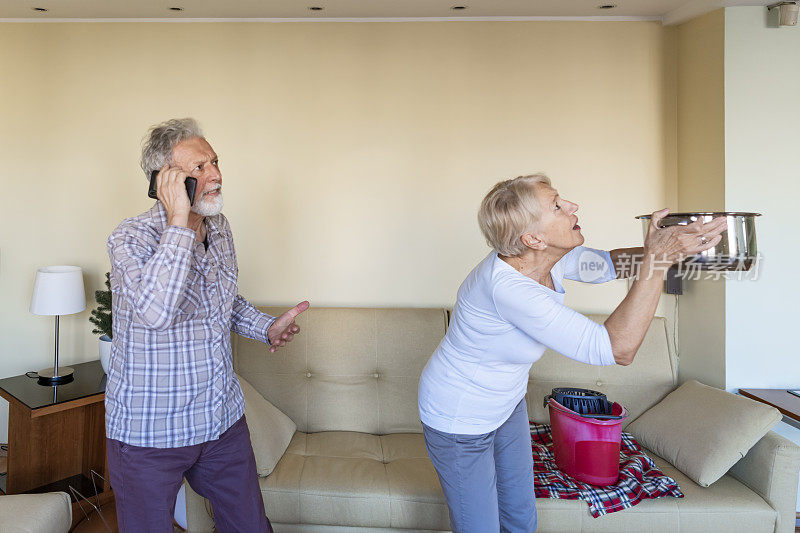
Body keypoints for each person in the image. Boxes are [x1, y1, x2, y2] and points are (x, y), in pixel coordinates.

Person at [417, 173, 726, 533]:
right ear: (533, 238)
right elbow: (617, 349)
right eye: (557, 206)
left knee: (520, 516)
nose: (572, 206)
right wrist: (658, 260)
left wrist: (669, 245)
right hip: (460, 416)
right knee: (480, 527)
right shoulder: (509, 289)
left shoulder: (544, 259)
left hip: (506, 402)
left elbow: (611, 264)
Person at [105, 118, 308, 532]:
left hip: (220, 421)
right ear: (166, 180)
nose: (215, 174)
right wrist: (179, 221)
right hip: (150, 433)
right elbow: (156, 312)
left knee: (250, 526)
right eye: (199, 167)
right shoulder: (129, 238)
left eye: (214, 162)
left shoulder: (220, 228)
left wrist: (266, 327)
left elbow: (223, 302)